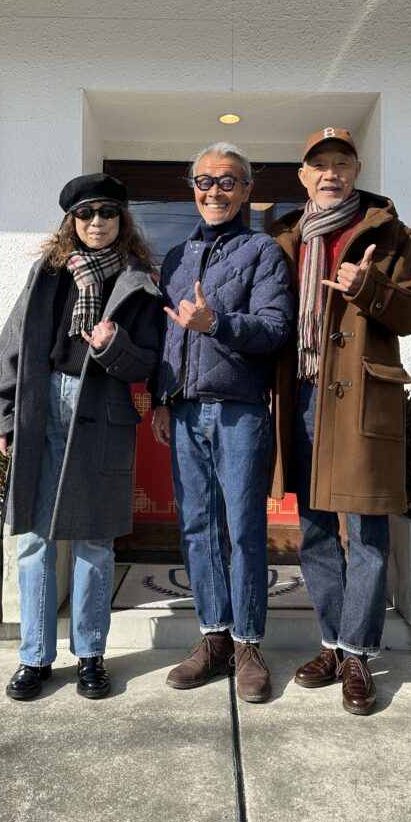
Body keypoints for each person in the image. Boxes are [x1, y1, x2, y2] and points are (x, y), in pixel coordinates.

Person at [270, 128, 411, 715]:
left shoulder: (390, 232)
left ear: (357, 170)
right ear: (303, 176)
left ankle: (360, 652)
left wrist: (371, 288)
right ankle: (334, 644)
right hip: (301, 394)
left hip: (359, 395)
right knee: (314, 528)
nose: (331, 173)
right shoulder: (283, 236)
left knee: (365, 530)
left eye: (341, 163)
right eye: (320, 165)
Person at [0, 172, 161, 701]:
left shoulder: (138, 281)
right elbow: (12, 344)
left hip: (100, 415)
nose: (96, 222)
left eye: (107, 212)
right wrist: (4, 416)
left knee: (94, 540)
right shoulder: (48, 273)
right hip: (41, 410)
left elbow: (147, 363)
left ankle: (90, 655)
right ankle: (34, 658)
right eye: (85, 214)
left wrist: (111, 344)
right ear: (71, 221)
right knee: (34, 538)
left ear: (122, 220)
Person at [151, 142, 293, 703]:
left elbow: (275, 328)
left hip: (239, 410)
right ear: (193, 188)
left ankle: (248, 643)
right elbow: (166, 336)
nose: (215, 191)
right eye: (205, 181)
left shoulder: (263, 251)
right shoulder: (176, 257)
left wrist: (216, 323)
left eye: (228, 181)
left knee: (244, 529)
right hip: (185, 410)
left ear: (247, 190)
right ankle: (213, 637)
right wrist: (162, 397)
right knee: (197, 527)